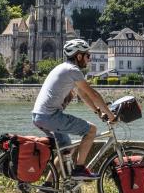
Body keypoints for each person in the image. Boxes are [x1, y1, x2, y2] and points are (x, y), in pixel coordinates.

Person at [31, 39, 116, 180]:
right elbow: (93, 94)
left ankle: (47, 186)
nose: (89, 59)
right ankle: (80, 169)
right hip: (50, 116)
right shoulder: (73, 70)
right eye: (87, 55)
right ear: (78, 56)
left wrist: (98, 111)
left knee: (67, 149)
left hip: (39, 116)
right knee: (91, 130)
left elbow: (83, 95)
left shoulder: (64, 68)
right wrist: (111, 115)